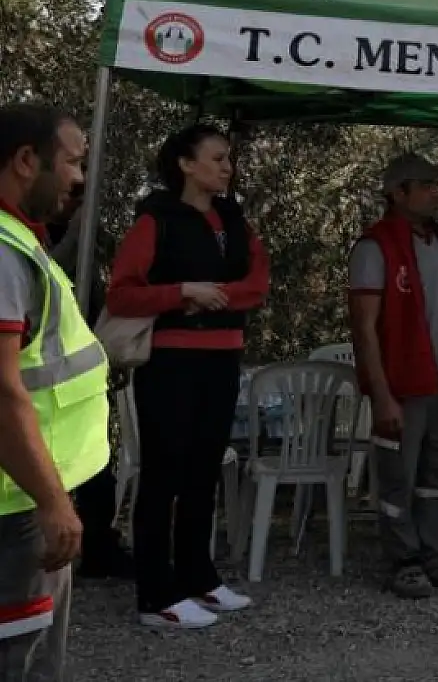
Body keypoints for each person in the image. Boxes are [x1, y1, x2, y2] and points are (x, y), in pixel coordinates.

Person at [106, 123, 269, 630]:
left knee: (204, 471)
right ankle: (157, 596)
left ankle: (200, 576)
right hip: (170, 363)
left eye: (229, 159)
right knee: (164, 474)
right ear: (185, 164)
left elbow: (257, 282)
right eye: (217, 158)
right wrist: (183, 293)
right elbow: (122, 294)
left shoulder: (234, 220)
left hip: (223, 358)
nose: (226, 167)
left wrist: (215, 294)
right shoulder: (155, 222)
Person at [0, 105, 107, 682]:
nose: (79, 178)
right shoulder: (3, 252)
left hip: (21, 497)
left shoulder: (18, 239)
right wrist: (51, 501)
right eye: (71, 161)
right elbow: (2, 392)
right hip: (16, 507)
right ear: (25, 161)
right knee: (23, 659)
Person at [348, 153, 438, 600]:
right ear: (397, 193)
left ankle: (434, 553)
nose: (435, 192)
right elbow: (364, 328)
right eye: (424, 185)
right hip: (403, 383)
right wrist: (381, 395)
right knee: (398, 476)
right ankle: (402, 561)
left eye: (435, 184)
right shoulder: (374, 247)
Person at [45, 184, 132, 580]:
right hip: (45, 377)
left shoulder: (89, 236)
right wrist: (79, 232)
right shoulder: (30, 233)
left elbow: (103, 283)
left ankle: (100, 544)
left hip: (84, 377)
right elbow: (49, 270)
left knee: (99, 466)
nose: (73, 200)